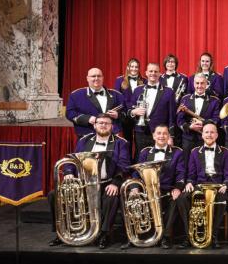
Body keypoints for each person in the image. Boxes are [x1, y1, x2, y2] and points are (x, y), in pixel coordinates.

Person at [48, 114, 131, 249]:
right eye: (100, 123)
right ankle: (61, 232)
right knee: (54, 195)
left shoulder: (121, 143)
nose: (103, 125)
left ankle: (104, 233)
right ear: (95, 125)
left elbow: (124, 166)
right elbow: (73, 160)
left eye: (106, 123)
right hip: (84, 182)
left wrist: (115, 183)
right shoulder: (84, 141)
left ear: (112, 126)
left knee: (111, 197)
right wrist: (69, 173)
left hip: (106, 182)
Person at [121, 124, 188, 250]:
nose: (161, 136)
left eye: (164, 133)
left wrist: (178, 187)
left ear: (168, 136)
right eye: (159, 133)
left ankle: (165, 237)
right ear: (154, 135)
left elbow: (181, 173)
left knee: (175, 200)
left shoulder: (177, 152)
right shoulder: (145, 152)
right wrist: (134, 186)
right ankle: (133, 236)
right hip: (147, 190)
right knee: (131, 199)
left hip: (167, 190)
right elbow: (136, 172)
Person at [184, 122, 228, 248]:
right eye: (206, 132)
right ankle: (188, 235)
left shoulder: (225, 152)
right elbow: (191, 174)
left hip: (218, 186)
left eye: (212, 132)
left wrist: (226, 185)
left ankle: (214, 235)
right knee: (182, 198)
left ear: (217, 135)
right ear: (202, 135)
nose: (209, 135)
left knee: (222, 199)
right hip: (200, 185)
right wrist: (189, 182)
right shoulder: (194, 152)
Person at [128, 63, 176, 157]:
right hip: (141, 132)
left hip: (160, 133)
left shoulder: (169, 92)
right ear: (146, 73)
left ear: (159, 74)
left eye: (155, 71)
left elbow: (172, 116)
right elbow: (129, 109)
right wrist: (134, 112)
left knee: (159, 158)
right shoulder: (138, 90)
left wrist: (171, 136)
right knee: (140, 158)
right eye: (150, 71)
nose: (153, 73)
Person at [66, 67, 125, 138]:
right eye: (93, 76)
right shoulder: (76, 95)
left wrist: (118, 115)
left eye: (99, 76)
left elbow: (125, 113)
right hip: (87, 136)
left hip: (112, 136)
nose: (96, 78)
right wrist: (87, 119)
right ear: (87, 78)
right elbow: (69, 113)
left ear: (103, 78)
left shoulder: (117, 95)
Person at [177, 73, 221, 154]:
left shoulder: (215, 101)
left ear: (206, 84)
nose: (199, 86)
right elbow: (180, 120)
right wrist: (190, 127)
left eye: (202, 83)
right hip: (188, 139)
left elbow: (216, 119)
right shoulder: (185, 99)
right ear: (194, 84)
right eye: (197, 83)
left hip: (206, 140)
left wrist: (203, 123)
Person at [115, 58, 146, 143]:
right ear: (128, 67)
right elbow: (117, 98)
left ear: (139, 68)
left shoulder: (144, 81)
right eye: (132, 66)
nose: (134, 69)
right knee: (127, 142)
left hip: (139, 116)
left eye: (136, 67)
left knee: (139, 141)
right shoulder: (119, 80)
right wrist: (130, 110)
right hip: (126, 115)